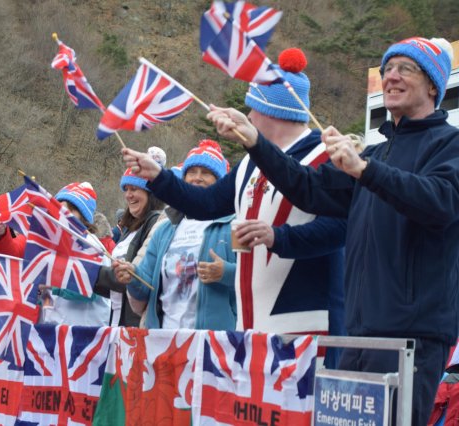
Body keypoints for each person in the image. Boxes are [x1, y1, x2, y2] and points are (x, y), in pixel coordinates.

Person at [198, 37, 455, 426]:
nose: (391, 76)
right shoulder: (378, 152)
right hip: (357, 331)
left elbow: (439, 201)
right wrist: (255, 141)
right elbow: (308, 188)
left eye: (406, 68)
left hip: (412, 336)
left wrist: (364, 170)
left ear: (433, 85)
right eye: (387, 68)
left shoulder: (449, 144)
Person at [123, 48, 346, 367]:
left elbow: (339, 229)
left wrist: (277, 236)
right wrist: (159, 177)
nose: (249, 116)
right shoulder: (250, 165)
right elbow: (205, 204)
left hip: (307, 321)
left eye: (253, 108)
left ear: (271, 112)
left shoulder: (328, 157)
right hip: (249, 323)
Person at [116, 140, 237, 330]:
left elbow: (256, 279)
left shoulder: (235, 226)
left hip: (212, 341)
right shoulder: (164, 230)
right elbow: (145, 287)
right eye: (192, 172)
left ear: (220, 182)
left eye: (206, 173)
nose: (197, 178)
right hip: (164, 339)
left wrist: (226, 273)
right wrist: (132, 276)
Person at [0, 182, 112, 326]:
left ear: (83, 218)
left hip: (84, 333)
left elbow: (90, 289)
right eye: (59, 209)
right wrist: (1, 233)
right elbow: (13, 255)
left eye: (70, 211)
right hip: (53, 332)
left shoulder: (92, 245)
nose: (62, 216)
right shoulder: (50, 244)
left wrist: (51, 285)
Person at [93, 167, 165, 326]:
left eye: (134, 189)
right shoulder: (130, 228)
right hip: (117, 321)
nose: (128, 195)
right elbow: (116, 289)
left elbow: (134, 278)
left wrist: (89, 273)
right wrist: (84, 279)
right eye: (126, 189)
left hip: (136, 324)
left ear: (150, 193)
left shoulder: (155, 223)